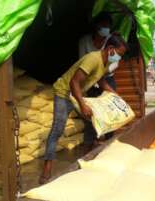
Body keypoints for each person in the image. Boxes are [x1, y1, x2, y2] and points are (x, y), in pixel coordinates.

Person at [39, 34, 128, 184]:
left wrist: (116, 96)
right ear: (111, 49)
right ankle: (47, 169)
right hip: (64, 93)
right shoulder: (93, 59)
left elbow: (101, 81)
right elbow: (74, 82)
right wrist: (82, 104)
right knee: (57, 130)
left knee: (91, 123)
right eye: (119, 55)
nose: (119, 58)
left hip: (77, 94)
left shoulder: (105, 62)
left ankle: (84, 160)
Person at [79, 12, 118, 151]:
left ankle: (110, 144)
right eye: (103, 26)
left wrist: (102, 71)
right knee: (91, 113)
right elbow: (82, 62)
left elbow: (115, 63)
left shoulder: (112, 41)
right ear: (96, 26)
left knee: (110, 111)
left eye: (108, 26)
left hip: (107, 78)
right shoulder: (84, 42)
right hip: (90, 81)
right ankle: (89, 145)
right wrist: (95, 73)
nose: (105, 28)